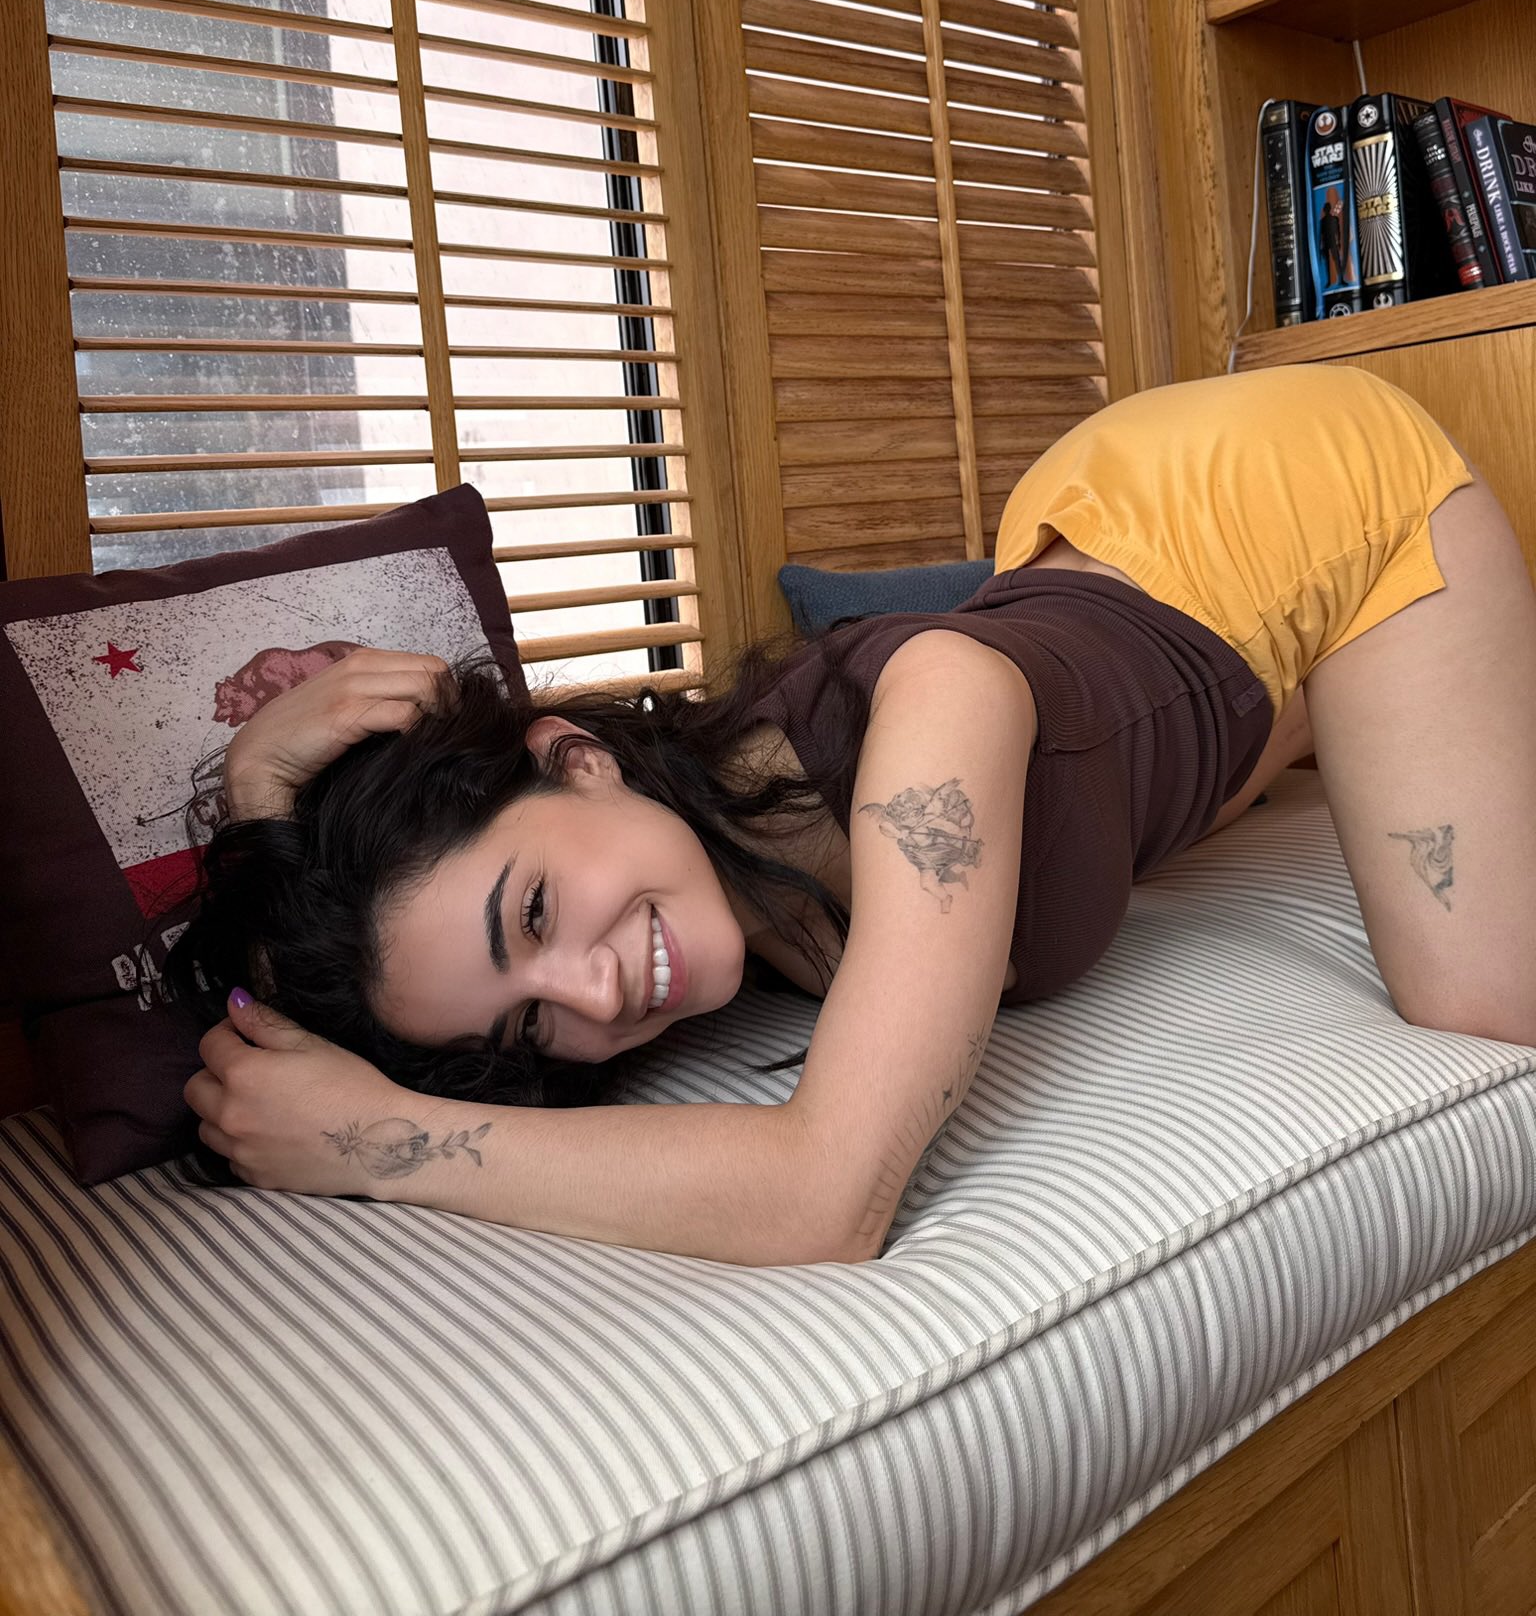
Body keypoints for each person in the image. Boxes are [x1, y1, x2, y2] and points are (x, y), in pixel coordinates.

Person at [172, 363, 1536, 1263]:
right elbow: (334, 995)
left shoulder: (931, 713)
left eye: (533, 913)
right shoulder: (700, 871)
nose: (593, 991)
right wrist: (257, 793)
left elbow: (827, 1195)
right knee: (1199, 722)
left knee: (1487, 1005)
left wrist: (370, 1142)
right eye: (529, 1025)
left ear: (576, 758)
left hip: (1301, 481)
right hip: (1111, 547)